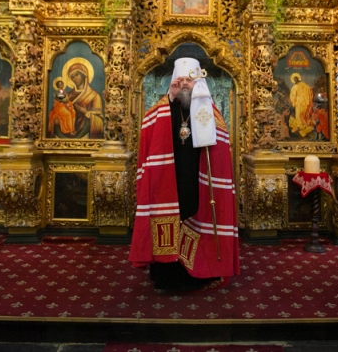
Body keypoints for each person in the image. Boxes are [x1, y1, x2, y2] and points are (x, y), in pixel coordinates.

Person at [130, 58, 240, 291]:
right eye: (179, 82)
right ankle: (166, 276)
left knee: (195, 217)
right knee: (168, 220)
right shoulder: (162, 109)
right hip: (167, 181)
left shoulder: (210, 111)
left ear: (198, 83)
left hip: (197, 181)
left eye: (189, 81)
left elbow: (219, 152)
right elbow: (150, 136)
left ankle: (199, 273)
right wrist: (170, 99)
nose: (184, 86)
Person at [60, 61, 104, 139]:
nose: (74, 79)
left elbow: (99, 121)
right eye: (72, 77)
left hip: (85, 133)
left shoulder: (94, 95)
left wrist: (85, 112)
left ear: (83, 74)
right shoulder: (68, 95)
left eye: (76, 75)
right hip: (67, 129)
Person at [288, 73, 314, 137]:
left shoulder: (295, 86)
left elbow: (293, 96)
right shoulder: (306, 86)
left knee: (299, 116)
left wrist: (293, 102)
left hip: (299, 104)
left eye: (295, 79)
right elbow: (310, 95)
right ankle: (304, 129)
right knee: (304, 116)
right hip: (306, 103)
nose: (294, 81)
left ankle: (302, 130)